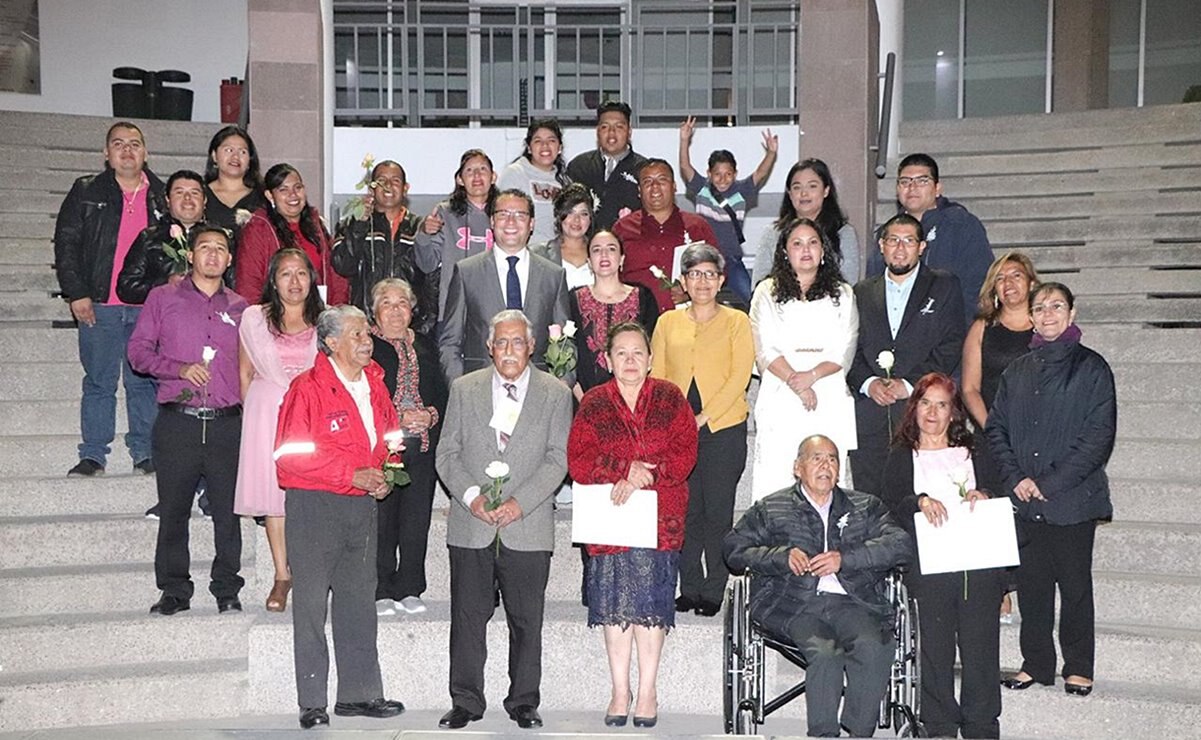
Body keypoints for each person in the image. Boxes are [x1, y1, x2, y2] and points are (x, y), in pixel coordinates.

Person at [434, 310, 573, 730]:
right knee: (467, 617)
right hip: (471, 524)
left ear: (532, 347)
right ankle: (466, 700)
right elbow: (447, 454)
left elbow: (558, 459)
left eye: (518, 342)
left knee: (526, 620)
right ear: (489, 347)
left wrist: (519, 503)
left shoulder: (555, 393)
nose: (509, 350)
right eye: (501, 342)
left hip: (527, 527)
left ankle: (524, 701)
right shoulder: (463, 389)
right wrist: (474, 497)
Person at [724, 435, 911, 738]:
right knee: (826, 652)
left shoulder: (864, 506)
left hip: (853, 602)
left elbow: (900, 545)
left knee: (876, 645)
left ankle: (859, 731)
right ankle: (823, 734)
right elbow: (733, 549)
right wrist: (780, 557)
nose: (826, 465)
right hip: (794, 604)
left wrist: (846, 559)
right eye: (817, 458)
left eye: (832, 459)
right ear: (797, 467)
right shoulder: (772, 508)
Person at [273, 305, 407, 729]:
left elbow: (390, 437)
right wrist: (350, 473)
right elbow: (287, 459)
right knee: (311, 604)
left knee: (357, 602)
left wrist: (387, 472)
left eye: (366, 333)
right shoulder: (307, 389)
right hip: (315, 507)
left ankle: (359, 694)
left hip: (361, 505)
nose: (367, 341)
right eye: (356, 335)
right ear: (331, 343)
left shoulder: (376, 384)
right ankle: (312, 701)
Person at [567, 321, 698, 728]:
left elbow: (685, 451)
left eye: (637, 352)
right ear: (607, 360)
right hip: (612, 518)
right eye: (621, 352)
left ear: (651, 358)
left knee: (650, 610)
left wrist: (648, 474)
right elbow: (578, 459)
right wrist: (623, 469)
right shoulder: (594, 402)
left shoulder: (671, 398)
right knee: (615, 610)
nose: (629, 360)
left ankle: (647, 692)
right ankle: (620, 690)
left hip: (661, 516)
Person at [987, 282, 1116, 698]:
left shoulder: (1093, 368)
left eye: (1056, 306)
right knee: (1033, 587)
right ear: (1030, 317)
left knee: (1075, 587)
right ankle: (1036, 663)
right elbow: (997, 430)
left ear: (1072, 314)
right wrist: (1017, 478)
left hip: (1073, 500)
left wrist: (1049, 483)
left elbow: (1098, 438)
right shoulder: (1016, 371)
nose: (1047, 314)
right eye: (1039, 307)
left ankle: (1078, 667)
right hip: (1025, 500)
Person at [127, 226, 246, 617]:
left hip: (229, 423)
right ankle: (175, 589)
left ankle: (227, 588)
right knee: (174, 510)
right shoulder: (163, 298)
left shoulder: (244, 309)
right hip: (179, 421)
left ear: (229, 259)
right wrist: (179, 369)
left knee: (228, 513)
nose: (212, 255)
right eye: (204, 248)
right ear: (190, 256)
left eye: (221, 249)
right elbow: (138, 354)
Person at [882, 373, 1003, 739]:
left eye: (941, 404)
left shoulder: (975, 451)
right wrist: (919, 501)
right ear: (913, 408)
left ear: (953, 413)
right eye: (925, 403)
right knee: (935, 651)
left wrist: (983, 494)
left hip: (977, 565)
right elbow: (888, 504)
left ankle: (982, 725)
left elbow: (999, 492)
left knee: (981, 649)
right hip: (929, 566)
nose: (932, 412)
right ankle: (939, 726)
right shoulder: (902, 455)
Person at [54, 121, 164, 477]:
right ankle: (93, 455)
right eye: (118, 144)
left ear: (146, 152)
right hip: (99, 304)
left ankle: (145, 452)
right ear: (106, 153)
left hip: (146, 306)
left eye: (135, 144)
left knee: (142, 382)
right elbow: (67, 244)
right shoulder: (86, 190)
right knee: (99, 382)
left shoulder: (162, 196)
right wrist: (77, 292)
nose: (127, 150)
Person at [650, 242, 754, 616]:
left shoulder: (737, 321)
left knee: (717, 511)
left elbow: (739, 377)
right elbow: (658, 377)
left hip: (723, 428)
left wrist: (702, 418)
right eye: (695, 274)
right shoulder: (667, 322)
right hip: (678, 431)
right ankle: (689, 585)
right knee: (686, 511)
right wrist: (674, 423)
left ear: (721, 279)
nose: (703, 281)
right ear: (683, 280)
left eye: (710, 274)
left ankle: (714, 590)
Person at [847, 214, 965, 497]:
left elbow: (951, 344)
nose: (900, 249)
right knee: (870, 503)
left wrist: (911, 385)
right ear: (881, 246)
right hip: (870, 415)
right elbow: (848, 347)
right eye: (893, 241)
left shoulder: (944, 285)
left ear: (922, 246)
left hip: (921, 414)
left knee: (921, 502)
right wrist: (868, 383)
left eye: (909, 241)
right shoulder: (860, 292)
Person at [233, 247, 323, 613]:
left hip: (312, 414)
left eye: (301, 273)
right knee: (275, 497)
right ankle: (282, 575)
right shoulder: (255, 319)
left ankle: (313, 572)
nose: (294, 281)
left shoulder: (326, 321)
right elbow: (244, 372)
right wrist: (251, 420)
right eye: (285, 274)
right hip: (266, 413)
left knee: (312, 495)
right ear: (273, 280)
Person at [749, 217, 858, 500]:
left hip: (827, 391)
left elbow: (844, 348)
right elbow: (764, 348)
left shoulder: (843, 294)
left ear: (824, 250)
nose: (805, 250)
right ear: (785, 251)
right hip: (780, 392)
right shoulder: (766, 292)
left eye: (813, 243)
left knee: (826, 474)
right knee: (776, 474)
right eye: (797, 243)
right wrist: (795, 381)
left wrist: (811, 377)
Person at [960, 252, 1039, 623]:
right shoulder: (982, 327)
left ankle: (1032, 588)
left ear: (1031, 283)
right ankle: (1002, 591)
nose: (1009, 284)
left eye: (1016, 276)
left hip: (1038, 438)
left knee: (1031, 514)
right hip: (991, 434)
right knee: (995, 511)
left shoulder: (1047, 326)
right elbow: (970, 387)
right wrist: (994, 428)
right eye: (1001, 278)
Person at [369, 278, 448, 616]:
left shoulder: (427, 346)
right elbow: (365, 396)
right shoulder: (366, 346)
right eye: (386, 303)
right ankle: (381, 588)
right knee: (384, 519)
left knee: (416, 520)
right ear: (375, 312)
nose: (395, 310)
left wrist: (430, 415)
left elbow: (442, 393)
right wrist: (398, 416)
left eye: (402, 303)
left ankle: (410, 587)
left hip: (424, 444)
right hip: (384, 445)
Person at [438, 188, 570, 382]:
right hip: (480, 389)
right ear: (492, 221)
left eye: (519, 215)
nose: (511, 222)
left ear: (531, 223)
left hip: (540, 391)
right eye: (503, 214)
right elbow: (450, 342)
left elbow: (565, 343)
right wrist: (461, 391)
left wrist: (561, 390)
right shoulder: (467, 272)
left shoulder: (553, 275)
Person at [868, 153, 993, 325]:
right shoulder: (887, 233)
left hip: (949, 334)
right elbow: (874, 289)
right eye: (905, 182)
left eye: (922, 181)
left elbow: (978, 286)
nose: (912, 188)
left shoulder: (961, 225)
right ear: (897, 190)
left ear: (938, 188)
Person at [677, 116, 778, 303]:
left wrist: (771, 153)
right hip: (705, 258)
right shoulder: (702, 188)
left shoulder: (741, 191)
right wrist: (684, 140)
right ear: (709, 174)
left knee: (754, 299)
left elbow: (760, 173)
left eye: (728, 174)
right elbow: (685, 166)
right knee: (696, 300)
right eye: (717, 174)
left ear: (735, 174)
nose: (723, 179)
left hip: (731, 259)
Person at [331, 159, 434, 333]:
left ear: (405, 188)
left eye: (395, 181)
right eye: (381, 181)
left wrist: (426, 325)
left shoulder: (420, 227)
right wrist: (359, 226)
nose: (388, 186)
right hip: (365, 326)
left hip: (411, 326)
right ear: (372, 187)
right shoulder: (351, 224)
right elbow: (343, 266)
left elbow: (433, 280)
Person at [236, 163, 349, 307]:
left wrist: (337, 312)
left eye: (298, 188)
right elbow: (248, 284)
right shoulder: (258, 228)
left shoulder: (316, 224)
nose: (293, 195)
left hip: (319, 316)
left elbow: (335, 274)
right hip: (275, 319)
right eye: (283, 190)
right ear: (269, 195)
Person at [614, 159, 719, 313]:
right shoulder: (623, 228)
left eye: (662, 180)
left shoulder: (697, 226)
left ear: (674, 186)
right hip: (635, 321)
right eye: (647, 182)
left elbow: (717, 272)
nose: (655, 187)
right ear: (639, 190)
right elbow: (609, 277)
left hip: (687, 320)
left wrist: (691, 291)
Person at [569, 230, 659, 399]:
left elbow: (651, 350)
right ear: (589, 261)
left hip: (635, 399)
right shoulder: (572, 300)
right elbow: (567, 352)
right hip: (583, 398)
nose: (604, 255)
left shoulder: (643, 298)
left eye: (611, 249)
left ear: (622, 259)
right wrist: (584, 400)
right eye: (596, 250)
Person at [414, 149, 498, 322]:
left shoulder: (505, 213)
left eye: (482, 169)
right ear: (460, 179)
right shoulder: (445, 213)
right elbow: (427, 265)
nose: (476, 175)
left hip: (495, 305)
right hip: (454, 308)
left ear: (493, 177)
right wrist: (423, 234)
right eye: (469, 171)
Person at [752, 158, 861, 287]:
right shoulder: (773, 233)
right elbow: (759, 283)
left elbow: (848, 284)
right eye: (797, 187)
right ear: (790, 193)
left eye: (812, 186)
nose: (804, 193)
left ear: (826, 190)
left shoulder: (843, 233)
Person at [116, 169, 207, 305]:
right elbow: (126, 288)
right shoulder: (149, 238)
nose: (187, 198)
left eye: (195, 193)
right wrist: (164, 283)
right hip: (161, 317)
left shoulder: (221, 238)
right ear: (167, 200)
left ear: (205, 200)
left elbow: (234, 286)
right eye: (179, 192)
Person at [566, 101, 647, 230]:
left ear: (629, 132)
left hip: (627, 244)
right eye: (605, 127)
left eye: (619, 127)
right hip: (585, 244)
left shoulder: (643, 169)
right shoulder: (579, 166)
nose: (611, 133)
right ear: (597, 131)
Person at [498, 118, 571, 246]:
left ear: (559, 148)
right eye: (538, 141)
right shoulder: (515, 173)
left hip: (556, 255)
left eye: (551, 140)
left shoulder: (566, 182)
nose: (545, 146)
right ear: (529, 148)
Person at [202, 125, 265, 244]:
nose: (235, 157)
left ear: (250, 160)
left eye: (242, 152)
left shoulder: (262, 197)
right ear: (214, 156)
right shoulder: (200, 194)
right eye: (229, 150)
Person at [534, 182, 595, 290]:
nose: (577, 220)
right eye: (570, 212)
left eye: (583, 214)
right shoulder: (539, 254)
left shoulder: (600, 252)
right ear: (559, 215)